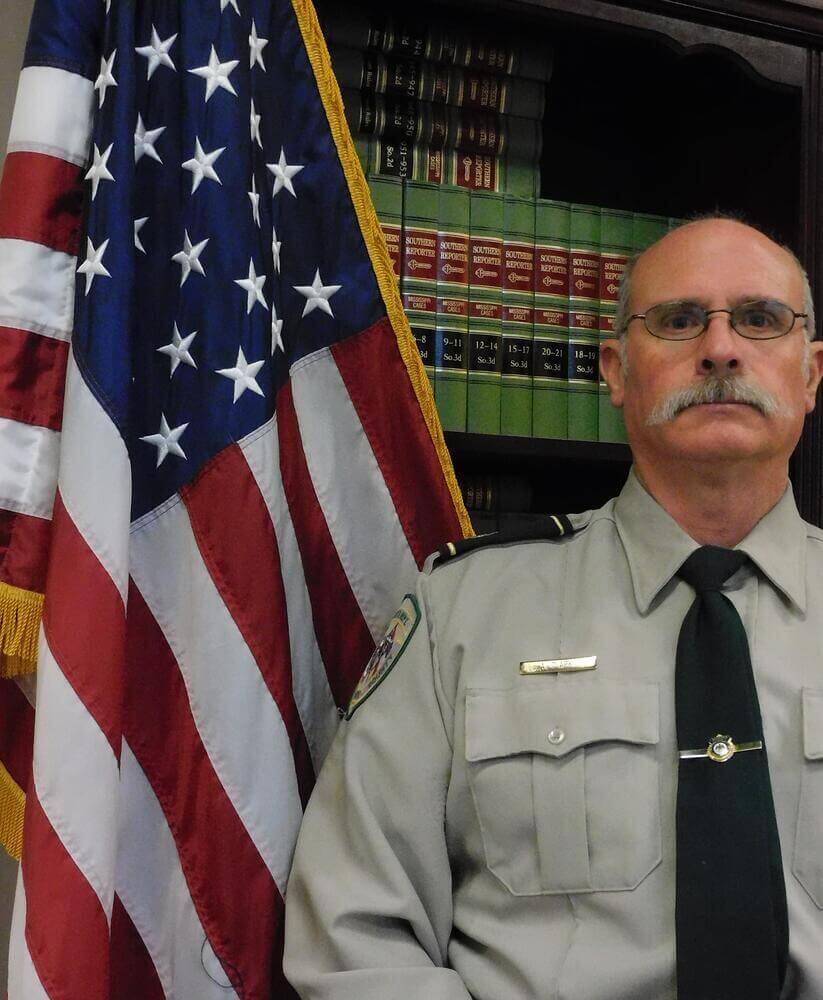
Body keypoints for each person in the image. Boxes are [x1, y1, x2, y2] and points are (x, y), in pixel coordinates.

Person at [282, 217, 823, 999]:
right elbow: (355, 937)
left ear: (809, 374)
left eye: (759, 320)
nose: (719, 348)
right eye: (676, 320)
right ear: (615, 370)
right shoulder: (462, 614)